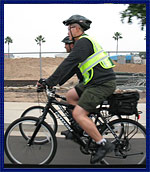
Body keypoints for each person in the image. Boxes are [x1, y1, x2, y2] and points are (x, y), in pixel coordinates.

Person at [38, 14, 116, 164]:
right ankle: (79, 129)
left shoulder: (84, 42)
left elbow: (68, 63)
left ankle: (103, 144)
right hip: (93, 82)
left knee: (79, 113)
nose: (68, 32)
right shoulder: (82, 43)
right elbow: (71, 68)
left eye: (70, 28)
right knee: (70, 95)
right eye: (68, 28)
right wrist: (51, 82)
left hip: (102, 84)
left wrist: (50, 81)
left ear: (78, 29)